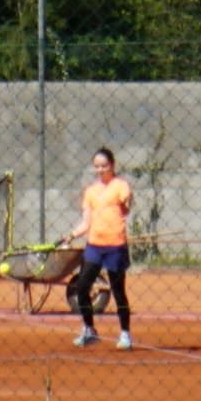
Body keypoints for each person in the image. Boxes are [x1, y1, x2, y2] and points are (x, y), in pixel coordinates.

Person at [66, 148, 138, 348]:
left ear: (112, 165)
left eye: (104, 166)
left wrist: (127, 201)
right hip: (94, 246)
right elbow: (86, 222)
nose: (100, 169)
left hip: (115, 245)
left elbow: (127, 202)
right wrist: (71, 235)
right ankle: (89, 330)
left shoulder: (120, 185)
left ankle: (125, 334)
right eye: (97, 166)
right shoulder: (90, 192)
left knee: (118, 291)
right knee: (81, 288)